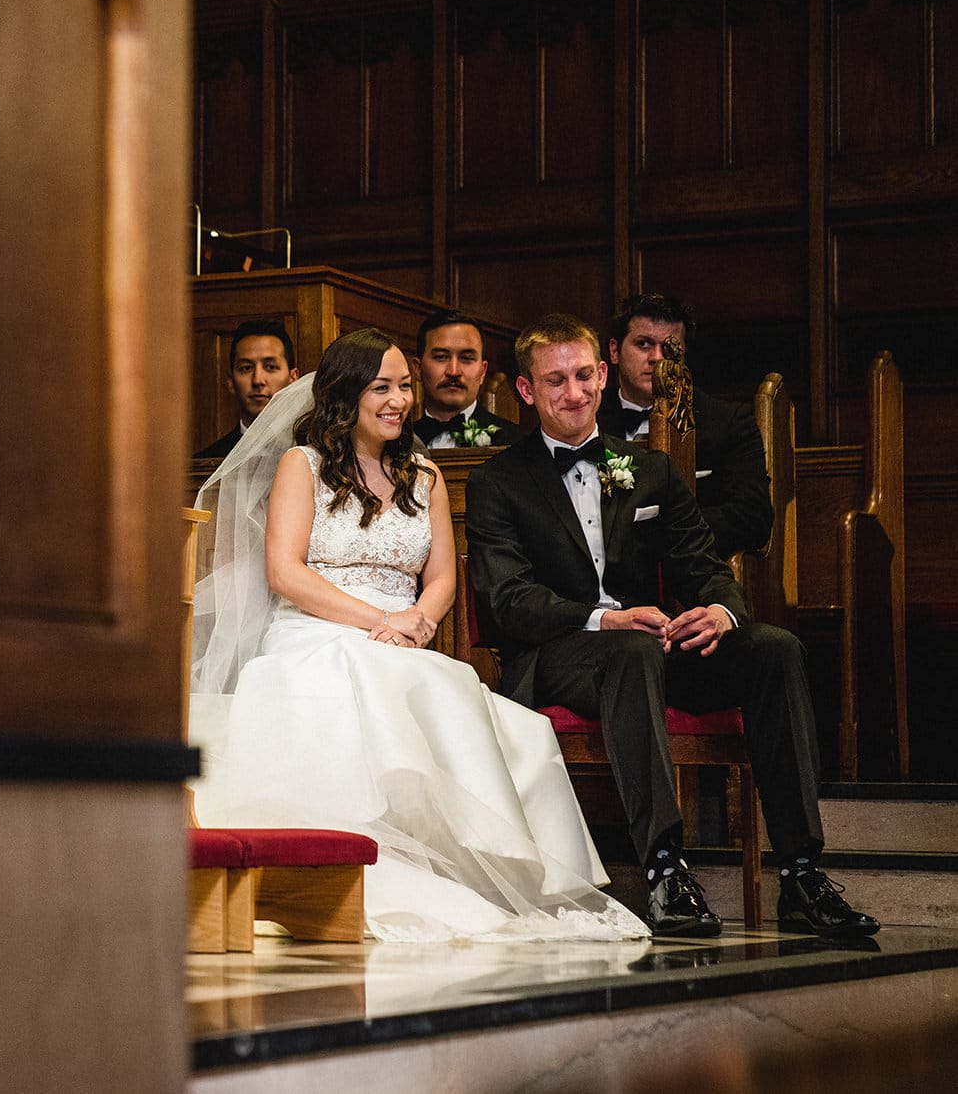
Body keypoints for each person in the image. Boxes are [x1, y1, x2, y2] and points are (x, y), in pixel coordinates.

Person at [189, 327, 648, 942]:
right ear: (345, 395)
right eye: (381, 387)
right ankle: (343, 872)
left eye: (405, 386)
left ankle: (487, 869)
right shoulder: (305, 466)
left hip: (405, 638)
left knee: (470, 705)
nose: (398, 400)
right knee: (370, 682)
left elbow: (441, 577)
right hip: (314, 632)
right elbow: (286, 573)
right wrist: (378, 621)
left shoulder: (423, 474)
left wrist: (422, 620)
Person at [464, 313, 877, 938]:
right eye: (554, 382)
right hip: (562, 654)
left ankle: (799, 872)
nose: (573, 394)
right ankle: (664, 870)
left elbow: (704, 564)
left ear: (603, 376)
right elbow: (509, 600)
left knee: (773, 650)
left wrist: (721, 609)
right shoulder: (499, 481)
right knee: (631, 651)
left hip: (652, 648)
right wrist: (605, 619)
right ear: (526, 391)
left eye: (582, 376)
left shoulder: (650, 471)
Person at [597, 293, 773, 558]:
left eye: (670, 348)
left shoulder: (729, 422)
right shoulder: (588, 420)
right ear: (614, 351)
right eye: (643, 344)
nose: (657, 358)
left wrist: (658, 530)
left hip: (693, 574)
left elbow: (753, 518)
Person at [411, 308, 519, 449]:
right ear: (418, 369)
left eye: (466, 358)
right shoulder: (394, 444)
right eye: (441, 357)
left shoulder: (518, 443)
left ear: (482, 372)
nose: (454, 371)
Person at [195, 319, 299, 459]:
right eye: (246, 368)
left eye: (270, 367)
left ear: (293, 379)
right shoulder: (204, 461)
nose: (258, 380)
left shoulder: (316, 454)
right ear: (231, 382)